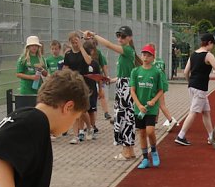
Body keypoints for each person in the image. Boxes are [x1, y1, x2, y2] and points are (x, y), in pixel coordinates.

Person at [86, 25, 142, 160]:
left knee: (125, 119)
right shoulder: (128, 52)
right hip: (123, 85)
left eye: (123, 36)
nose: (120, 39)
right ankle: (129, 150)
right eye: (118, 36)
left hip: (125, 89)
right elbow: (126, 75)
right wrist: (111, 80)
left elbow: (109, 45)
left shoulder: (127, 50)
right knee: (125, 118)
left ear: (129, 38)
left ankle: (127, 151)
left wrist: (94, 35)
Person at [175, 33, 215, 147]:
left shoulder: (193, 54)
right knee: (193, 112)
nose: (213, 46)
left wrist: (190, 81)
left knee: (206, 112)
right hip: (200, 88)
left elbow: (186, 72)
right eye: (213, 44)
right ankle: (181, 135)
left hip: (192, 85)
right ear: (209, 43)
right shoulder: (209, 55)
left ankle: (211, 136)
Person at [130, 44, 165, 169]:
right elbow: (132, 90)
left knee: (150, 131)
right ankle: (145, 158)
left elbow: (161, 90)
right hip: (139, 108)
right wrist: (139, 105)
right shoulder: (136, 71)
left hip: (151, 108)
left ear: (153, 57)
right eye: (144, 54)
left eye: (148, 55)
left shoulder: (156, 72)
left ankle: (154, 151)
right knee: (142, 133)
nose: (145, 57)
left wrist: (153, 101)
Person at [61, 32, 94, 143]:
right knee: (74, 109)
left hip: (84, 83)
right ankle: (75, 135)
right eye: (72, 41)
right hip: (73, 82)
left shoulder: (84, 51)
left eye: (76, 41)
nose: (75, 43)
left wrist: (81, 47)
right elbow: (65, 68)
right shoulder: (68, 54)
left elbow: (89, 61)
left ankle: (89, 128)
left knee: (82, 110)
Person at [148, 42, 177, 129]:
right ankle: (154, 121)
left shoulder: (150, 62)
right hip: (163, 83)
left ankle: (171, 120)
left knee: (161, 104)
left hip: (157, 85)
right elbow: (163, 72)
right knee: (156, 103)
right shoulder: (160, 60)